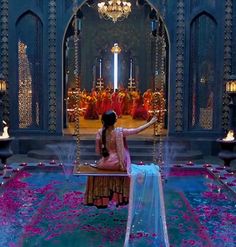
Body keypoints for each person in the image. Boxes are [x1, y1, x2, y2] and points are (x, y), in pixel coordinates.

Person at [84, 110, 157, 207]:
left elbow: (98, 152)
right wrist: (151, 122)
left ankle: (103, 197)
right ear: (115, 120)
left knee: (98, 164)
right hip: (118, 164)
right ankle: (121, 197)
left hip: (103, 164)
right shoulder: (120, 132)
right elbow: (137, 130)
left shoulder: (99, 132)